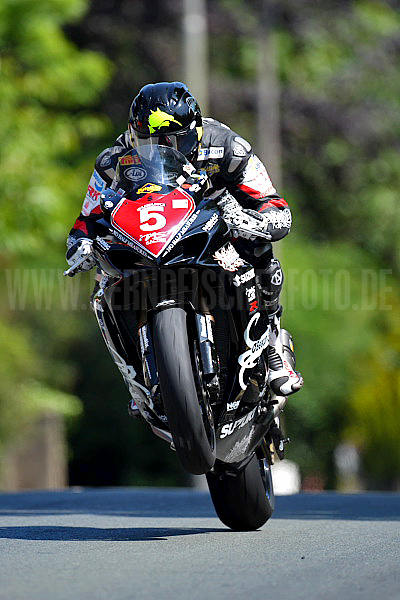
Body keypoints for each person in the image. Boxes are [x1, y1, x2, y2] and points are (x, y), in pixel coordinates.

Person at [66, 81, 303, 397]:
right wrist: (80, 243)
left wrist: (250, 219)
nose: (160, 148)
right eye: (146, 141)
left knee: (258, 249)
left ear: (196, 131)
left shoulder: (229, 148)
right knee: (101, 283)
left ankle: (272, 341)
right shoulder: (112, 162)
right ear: (132, 134)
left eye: (172, 140)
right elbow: (87, 218)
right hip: (147, 240)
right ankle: (135, 381)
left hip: (211, 229)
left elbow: (275, 207)